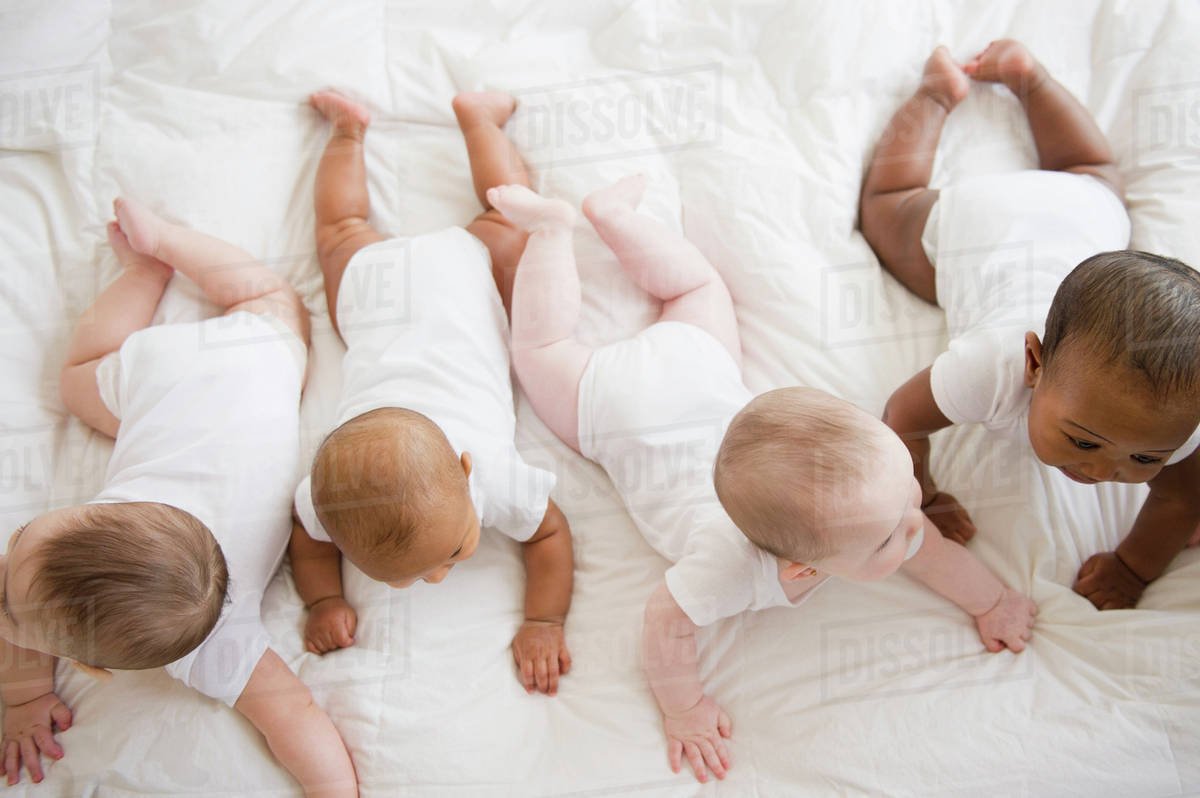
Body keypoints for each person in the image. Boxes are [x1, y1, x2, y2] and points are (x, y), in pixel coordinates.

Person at [485, 158, 1035, 783]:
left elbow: (928, 550)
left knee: (695, 289)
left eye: (908, 489)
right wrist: (683, 708)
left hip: (695, 367)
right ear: (801, 569)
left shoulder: (879, 511)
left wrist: (991, 601)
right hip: (615, 404)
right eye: (895, 532)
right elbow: (664, 622)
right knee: (546, 349)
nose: (919, 525)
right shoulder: (726, 571)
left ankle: (606, 218)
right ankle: (556, 230)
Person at [0, 204, 356, 795]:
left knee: (269, 298)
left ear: (89, 669)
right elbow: (298, 721)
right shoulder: (109, 558)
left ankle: (148, 266)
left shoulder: (220, 651)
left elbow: (297, 720)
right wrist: (25, 691)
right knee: (261, 301)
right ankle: (157, 250)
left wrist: (26, 697)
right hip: (193, 371)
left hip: (255, 362)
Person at [862, 40, 1200, 610]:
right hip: (979, 222)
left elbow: (1182, 502)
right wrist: (923, 493)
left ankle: (1028, 77)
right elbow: (902, 418)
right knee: (888, 204)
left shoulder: (1183, 408)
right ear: (1034, 362)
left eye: (1145, 459)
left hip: (1081, 206)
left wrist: (1133, 570)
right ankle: (937, 94)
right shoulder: (989, 366)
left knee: (1094, 173)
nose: (1102, 470)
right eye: (1083, 440)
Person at [288, 91, 574, 696]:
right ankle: (450, 122)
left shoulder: (494, 477)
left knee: (491, 223)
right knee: (359, 228)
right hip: (384, 292)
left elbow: (551, 536)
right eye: (416, 574)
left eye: (450, 552)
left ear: (468, 470)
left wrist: (545, 621)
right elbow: (308, 538)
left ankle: (387, 129)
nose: (441, 576)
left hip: (453, 278)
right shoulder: (327, 499)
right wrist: (321, 599)